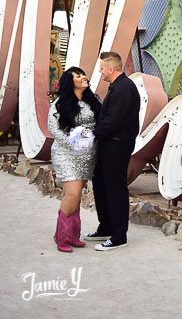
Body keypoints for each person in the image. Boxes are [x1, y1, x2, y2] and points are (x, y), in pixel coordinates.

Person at [85, 51, 140, 251]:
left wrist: (91, 135)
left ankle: (118, 236)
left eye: (102, 68)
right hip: (108, 143)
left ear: (111, 68)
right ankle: (105, 226)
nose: (100, 72)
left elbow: (112, 121)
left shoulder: (124, 88)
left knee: (115, 188)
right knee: (101, 185)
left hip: (117, 145)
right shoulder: (117, 87)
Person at [47, 67, 101, 253]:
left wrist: (89, 137)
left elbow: (98, 124)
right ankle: (61, 236)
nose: (83, 77)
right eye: (78, 76)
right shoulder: (59, 104)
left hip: (87, 154)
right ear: (70, 82)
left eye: (83, 74)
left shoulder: (92, 101)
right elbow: (53, 129)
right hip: (66, 153)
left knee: (77, 196)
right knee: (72, 194)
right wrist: (73, 143)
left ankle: (73, 236)